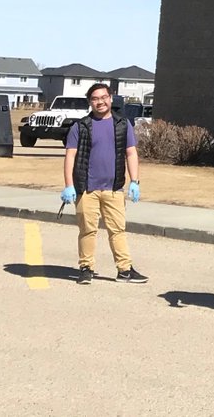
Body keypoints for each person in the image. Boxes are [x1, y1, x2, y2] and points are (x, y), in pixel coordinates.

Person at [61, 82, 148, 284]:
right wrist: (69, 185)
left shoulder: (122, 124)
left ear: (110, 98)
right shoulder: (80, 126)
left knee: (117, 230)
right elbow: (70, 156)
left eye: (103, 97)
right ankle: (86, 268)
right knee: (87, 230)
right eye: (95, 99)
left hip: (114, 189)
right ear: (90, 102)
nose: (100, 102)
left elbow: (131, 153)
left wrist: (135, 181)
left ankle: (125, 270)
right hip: (87, 189)